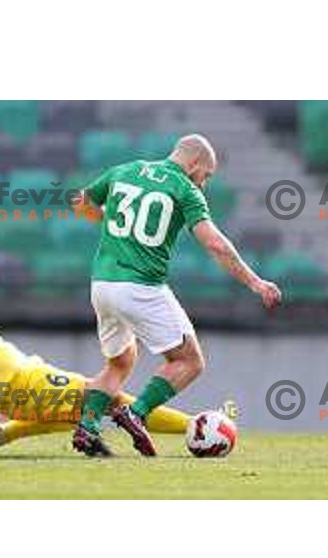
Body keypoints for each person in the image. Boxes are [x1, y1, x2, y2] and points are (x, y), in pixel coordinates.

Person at [0, 236, 233, 458]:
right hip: (21, 380)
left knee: (82, 410)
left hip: (16, 386)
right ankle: (201, 427)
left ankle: (2, 432)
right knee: (110, 400)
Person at [72, 133, 281, 457]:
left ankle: (87, 427)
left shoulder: (124, 170)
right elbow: (214, 243)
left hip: (101, 285)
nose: (204, 183)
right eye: (206, 175)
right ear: (194, 163)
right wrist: (255, 282)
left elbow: (80, 201)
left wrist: (108, 225)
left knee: (120, 362)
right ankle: (136, 413)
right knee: (189, 361)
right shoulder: (185, 190)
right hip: (141, 287)